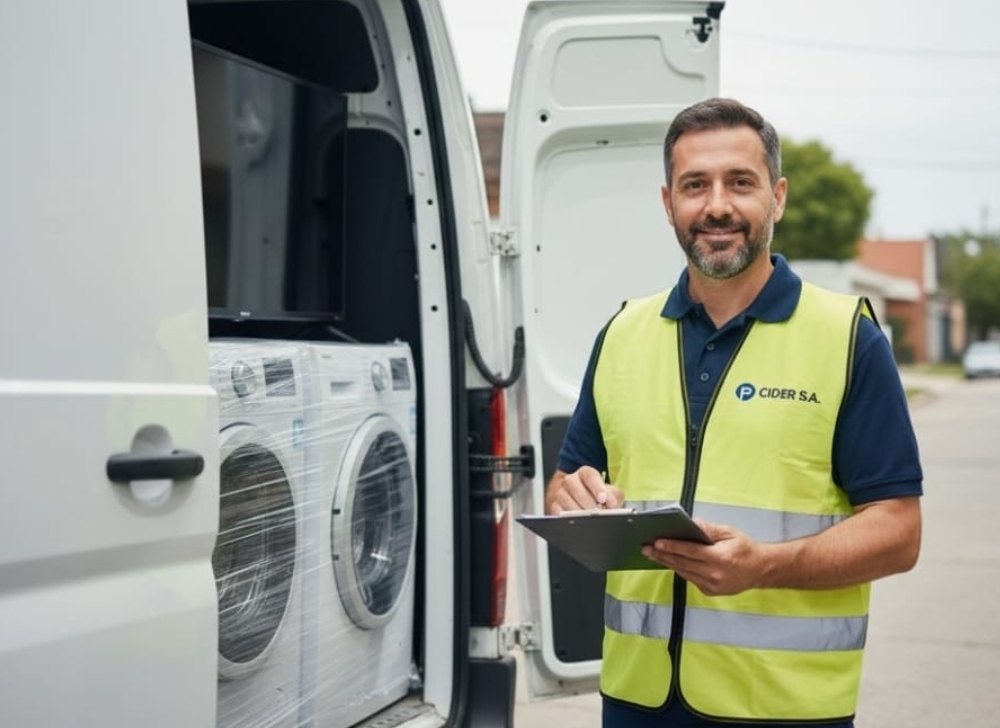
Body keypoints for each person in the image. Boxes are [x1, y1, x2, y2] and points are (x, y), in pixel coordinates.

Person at [545, 97, 923, 728]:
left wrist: (765, 567)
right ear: (669, 203)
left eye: (739, 183)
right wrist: (568, 495)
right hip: (637, 703)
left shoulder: (846, 337)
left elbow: (898, 531)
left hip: (784, 708)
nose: (717, 205)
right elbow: (567, 483)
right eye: (695, 185)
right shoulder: (622, 333)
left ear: (776, 198)